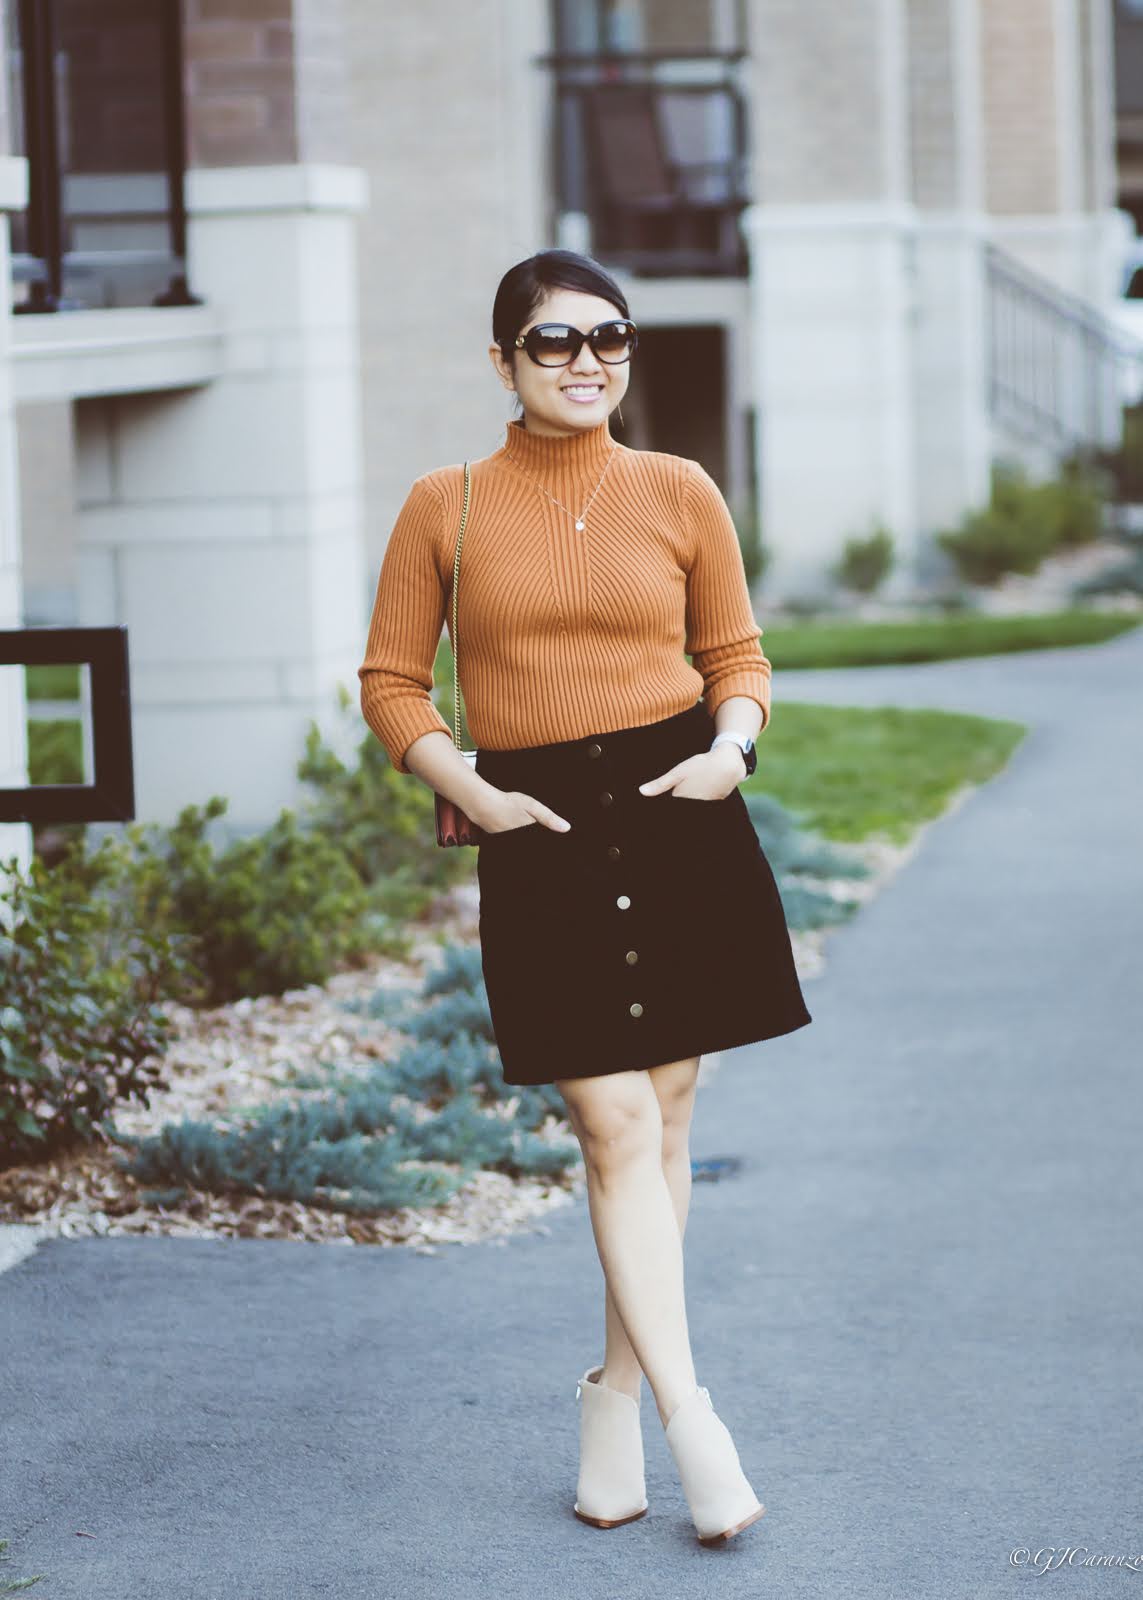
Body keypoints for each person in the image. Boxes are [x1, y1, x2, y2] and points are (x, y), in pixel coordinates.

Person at [357, 248, 812, 1546]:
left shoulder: (679, 489)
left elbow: (737, 653)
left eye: (606, 338)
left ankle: (612, 1408)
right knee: (614, 1125)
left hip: (681, 816)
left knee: (662, 1126)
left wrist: (732, 751)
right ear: (501, 362)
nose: (586, 362)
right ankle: (694, 1426)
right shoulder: (442, 505)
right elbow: (392, 681)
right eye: (553, 343)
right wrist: (475, 795)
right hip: (540, 828)